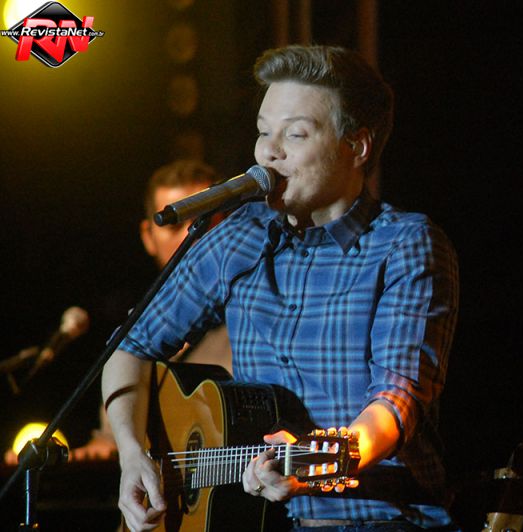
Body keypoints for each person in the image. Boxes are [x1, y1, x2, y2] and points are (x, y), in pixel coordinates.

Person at [101, 45, 459, 531]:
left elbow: (397, 403)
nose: (269, 152)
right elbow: (129, 345)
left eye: (295, 134)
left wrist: (316, 462)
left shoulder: (404, 244)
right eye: (263, 132)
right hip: (260, 519)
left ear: (357, 147)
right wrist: (131, 455)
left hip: (385, 518)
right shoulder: (239, 236)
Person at [70, 159, 233, 462]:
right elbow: (111, 443)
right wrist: (70, 460)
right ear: (148, 236)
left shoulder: (247, 313)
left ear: (226, 223)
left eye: (203, 222)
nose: (190, 237)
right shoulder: (144, 326)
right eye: (175, 225)